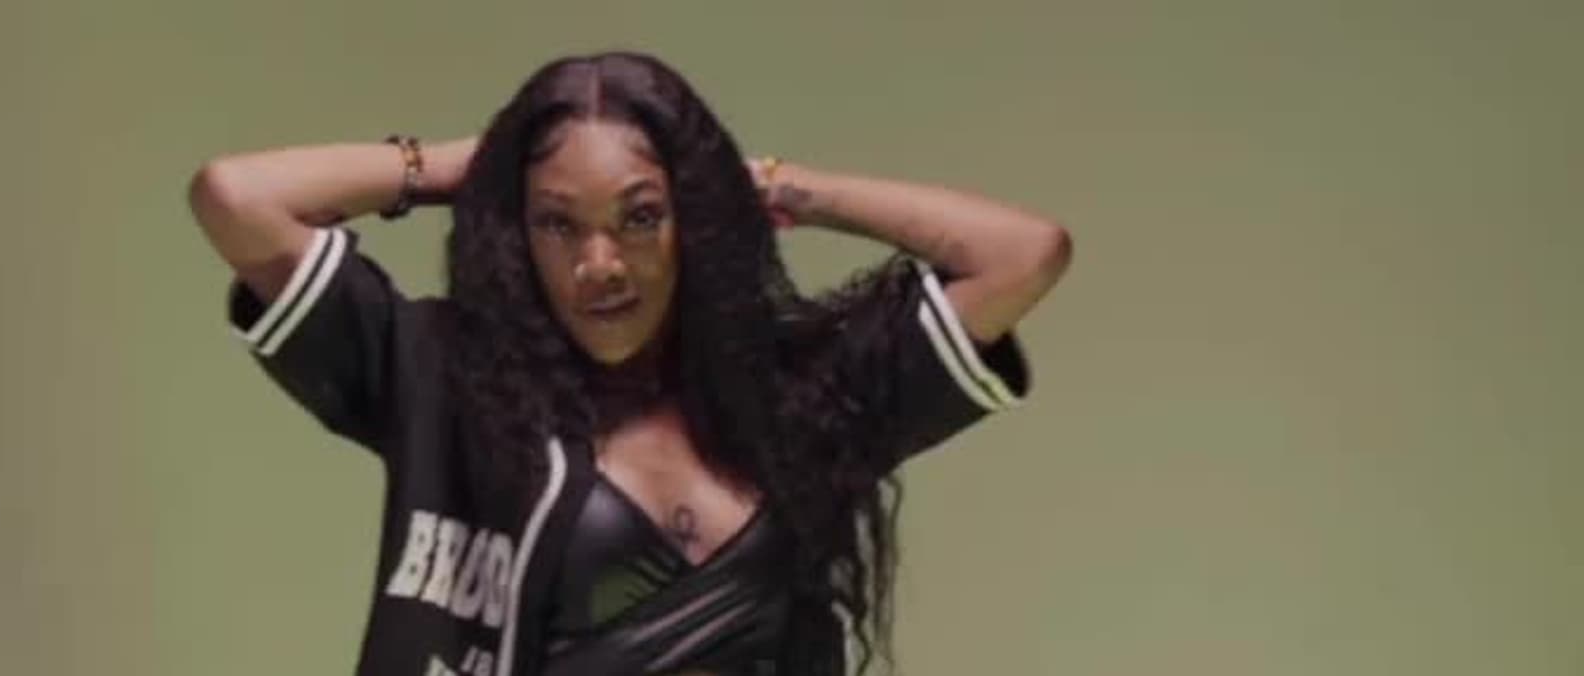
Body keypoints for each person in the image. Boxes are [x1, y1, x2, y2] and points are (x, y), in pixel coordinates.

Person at [187, 51, 1070, 676]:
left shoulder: (802, 397)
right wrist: (464, 169)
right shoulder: (447, 381)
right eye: (558, 223)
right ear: (516, 232)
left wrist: (778, 187)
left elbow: (1023, 255)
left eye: (640, 217)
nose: (599, 265)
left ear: (696, 219)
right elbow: (237, 199)